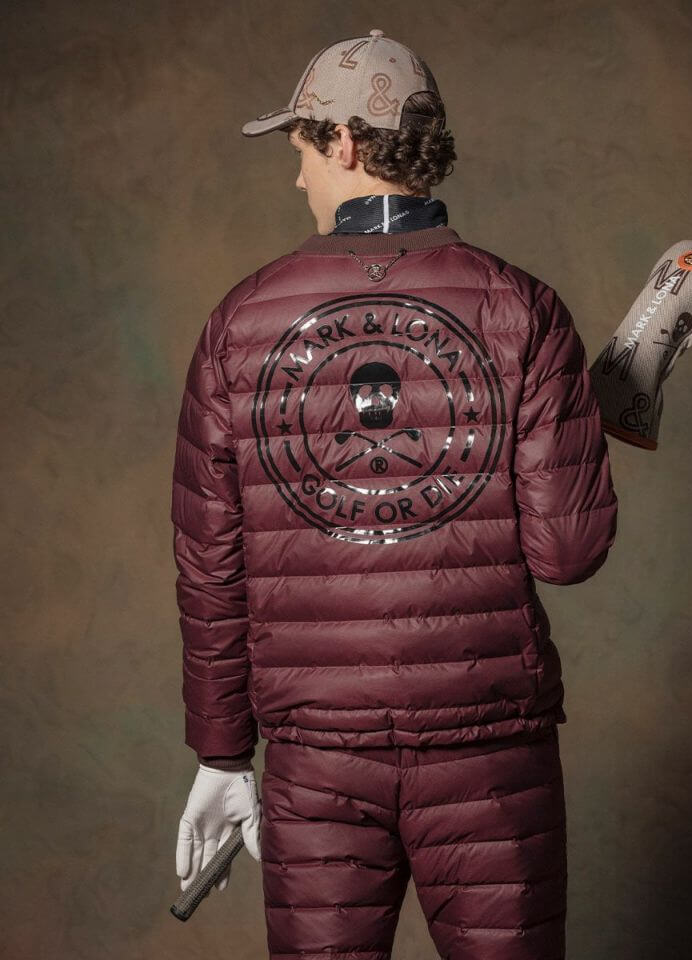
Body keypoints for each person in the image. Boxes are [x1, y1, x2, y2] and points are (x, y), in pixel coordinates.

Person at [173, 28, 618, 959]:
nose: (296, 176)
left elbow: (211, 567)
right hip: (491, 754)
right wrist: (581, 420)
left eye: (302, 147)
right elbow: (568, 554)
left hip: (316, 761)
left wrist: (222, 751)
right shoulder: (524, 309)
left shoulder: (238, 323)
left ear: (343, 141)